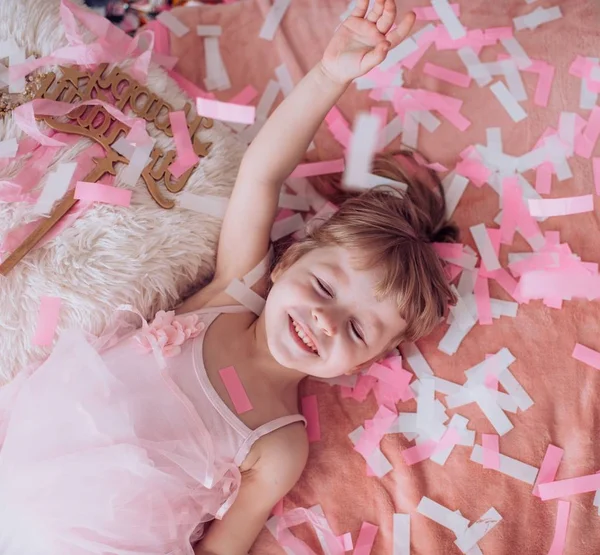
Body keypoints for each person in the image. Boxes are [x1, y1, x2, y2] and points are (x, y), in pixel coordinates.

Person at [0, 1, 458, 554]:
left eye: (359, 331)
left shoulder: (281, 442)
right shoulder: (234, 292)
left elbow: (224, 545)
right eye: (323, 287)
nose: (324, 320)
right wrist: (330, 75)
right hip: (24, 445)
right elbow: (263, 173)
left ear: (365, 363)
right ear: (287, 264)